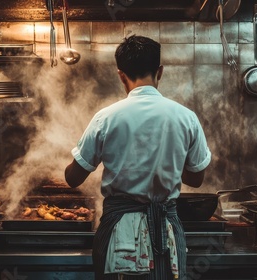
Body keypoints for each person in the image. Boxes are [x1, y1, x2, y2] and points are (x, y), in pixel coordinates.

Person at [64, 35, 211, 280]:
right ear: (160, 71)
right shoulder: (186, 117)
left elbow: (73, 178)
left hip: (119, 228)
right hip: (166, 229)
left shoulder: (106, 118)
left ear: (121, 74)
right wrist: (168, 159)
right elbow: (196, 179)